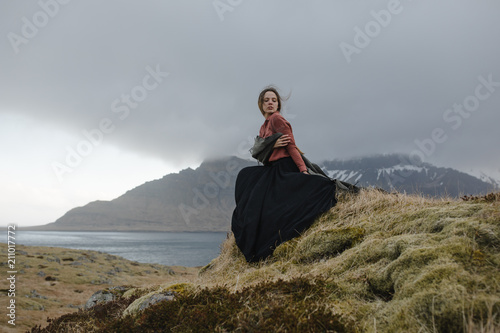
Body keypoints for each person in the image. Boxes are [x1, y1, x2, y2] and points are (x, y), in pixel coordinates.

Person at [231, 86, 338, 262]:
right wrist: (272, 144)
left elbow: (291, 146)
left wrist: (303, 171)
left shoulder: (277, 120)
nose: (270, 103)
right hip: (272, 168)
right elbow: (261, 155)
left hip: (285, 167)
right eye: (267, 100)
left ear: (278, 104)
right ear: (261, 105)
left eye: (274, 100)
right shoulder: (263, 126)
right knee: (246, 177)